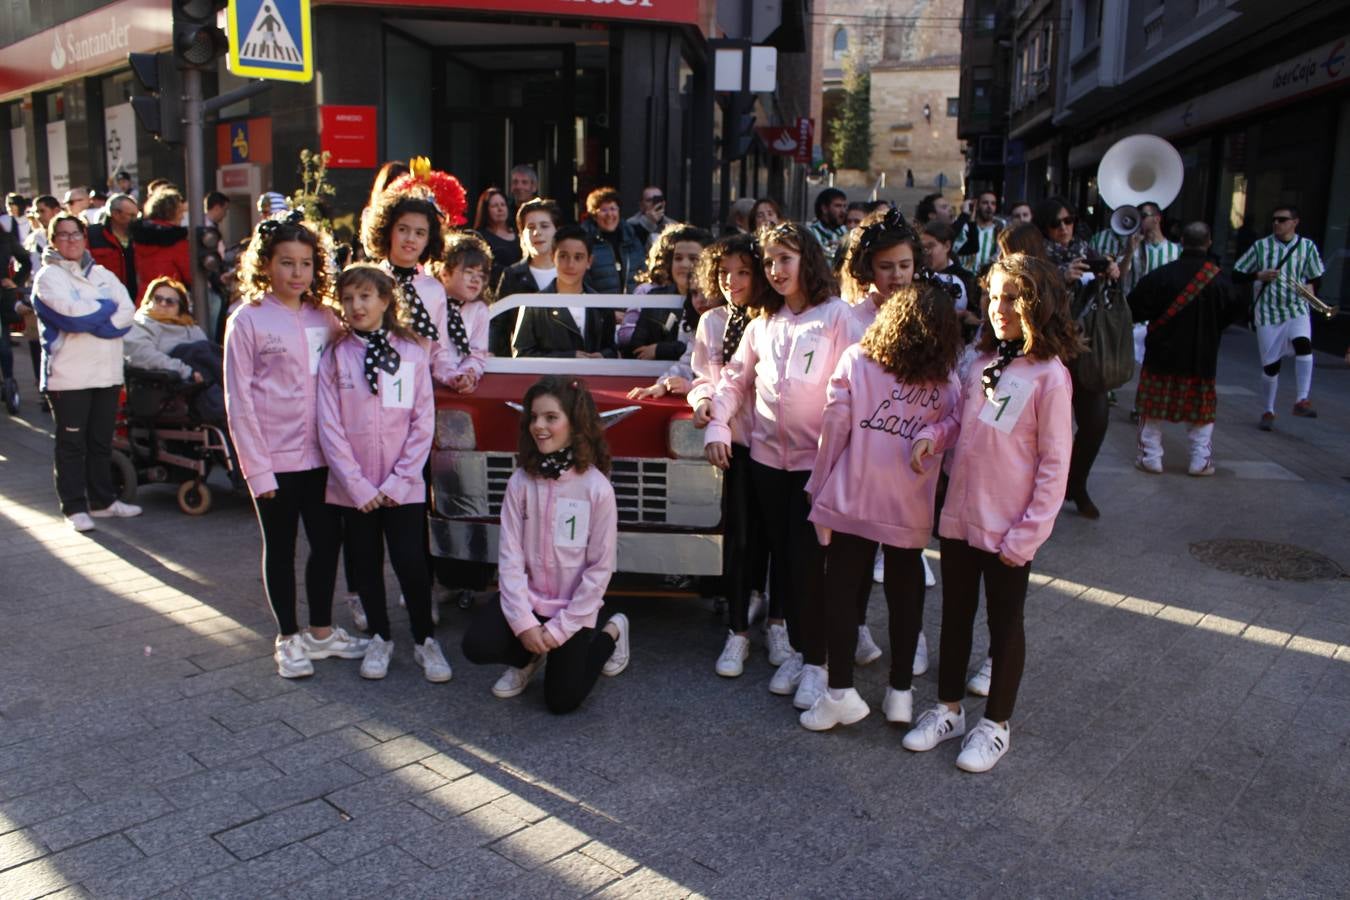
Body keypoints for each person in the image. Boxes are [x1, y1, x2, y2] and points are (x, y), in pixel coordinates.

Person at [902, 253, 1079, 773]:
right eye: (994, 296)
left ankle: (996, 724)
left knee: (1005, 626)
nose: (998, 308)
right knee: (954, 617)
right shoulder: (979, 362)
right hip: (960, 518)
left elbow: (1054, 465)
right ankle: (949, 709)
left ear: (1038, 303)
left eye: (1012, 298)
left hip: (1010, 532)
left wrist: (1028, 535)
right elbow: (959, 420)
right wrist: (932, 436)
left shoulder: (1050, 376)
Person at [695, 222, 855, 711]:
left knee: (812, 566)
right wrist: (718, 425)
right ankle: (804, 652)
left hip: (816, 465)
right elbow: (735, 380)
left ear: (807, 258)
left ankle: (819, 664)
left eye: (785, 258)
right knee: (785, 562)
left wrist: (838, 454)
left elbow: (856, 385)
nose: (776, 270)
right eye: (770, 262)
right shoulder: (765, 323)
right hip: (767, 461)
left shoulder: (837, 316)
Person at [800, 282, 964, 731]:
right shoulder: (946, 381)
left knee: (841, 591)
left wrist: (819, 485)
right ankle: (900, 694)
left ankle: (840, 690)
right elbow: (955, 422)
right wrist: (933, 436)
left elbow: (834, 428)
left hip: (853, 494)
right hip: (908, 503)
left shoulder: (858, 361)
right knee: (905, 591)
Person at [224, 211, 369, 678]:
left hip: (324, 457)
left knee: (327, 543)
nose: (297, 273)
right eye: (287, 262)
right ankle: (288, 637)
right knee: (281, 547)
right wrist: (256, 469)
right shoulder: (246, 320)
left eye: (306, 263)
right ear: (266, 264)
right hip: (274, 458)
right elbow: (239, 400)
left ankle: (322, 632)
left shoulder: (326, 317)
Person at [460, 375, 631, 712]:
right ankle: (528, 656)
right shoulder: (521, 482)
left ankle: (613, 632)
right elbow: (509, 557)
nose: (539, 426)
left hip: (573, 609)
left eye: (551, 417)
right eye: (534, 417)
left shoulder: (596, 489)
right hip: (530, 599)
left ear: (575, 424)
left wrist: (559, 630)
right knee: (476, 646)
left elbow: (599, 569)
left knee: (562, 702)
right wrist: (524, 624)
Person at [317, 263, 450, 682]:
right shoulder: (336, 356)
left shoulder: (410, 351)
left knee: (410, 560)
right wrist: (356, 484)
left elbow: (421, 420)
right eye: (349, 298)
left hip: (402, 487)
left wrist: (399, 481)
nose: (356, 306)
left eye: (365, 296)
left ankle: (425, 639)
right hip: (352, 489)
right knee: (365, 562)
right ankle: (379, 636)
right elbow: (329, 424)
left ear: (386, 300)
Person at [31, 213, 139, 531]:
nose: (71, 240)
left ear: (84, 237)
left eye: (76, 234)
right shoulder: (47, 278)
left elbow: (127, 312)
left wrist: (97, 315)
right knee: (71, 445)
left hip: (106, 372)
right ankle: (74, 507)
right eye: (63, 235)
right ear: (52, 241)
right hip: (69, 375)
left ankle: (103, 501)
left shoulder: (103, 274)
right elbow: (72, 319)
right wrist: (104, 310)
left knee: (101, 442)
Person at [1128, 223, 1245, 475]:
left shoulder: (1161, 275)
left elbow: (1134, 307)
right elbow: (1236, 310)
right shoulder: (1220, 280)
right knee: (1200, 412)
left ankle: (1151, 457)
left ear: (1181, 240)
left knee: (1152, 409)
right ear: (1209, 242)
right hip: (1201, 358)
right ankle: (1199, 460)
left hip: (1161, 355)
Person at [1035, 196, 1118, 519]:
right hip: (1050, 348)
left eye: (1069, 221)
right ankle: (1048, 490)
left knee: (1096, 421)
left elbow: (1108, 297)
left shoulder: (1088, 251)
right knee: (1049, 429)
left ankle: (1076, 483)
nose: (1064, 229)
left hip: (1085, 348)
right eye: (1057, 223)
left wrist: (1110, 271)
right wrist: (1061, 278)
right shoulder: (1040, 256)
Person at [1233, 204, 1325, 429]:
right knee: (1271, 366)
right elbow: (1237, 273)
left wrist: (1312, 288)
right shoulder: (1261, 247)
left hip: (1296, 308)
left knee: (1304, 345)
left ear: (1295, 222)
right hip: (1267, 312)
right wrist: (1258, 275)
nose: (1277, 223)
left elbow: (1316, 275)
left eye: (1283, 219)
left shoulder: (1307, 246)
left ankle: (1301, 399)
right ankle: (1268, 410)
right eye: (1274, 219)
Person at [123, 277, 225, 424]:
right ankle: (230, 404)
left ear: (180, 308)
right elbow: (143, 355)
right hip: (168, 381)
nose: (163, 304)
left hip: (201, 377)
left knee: (211, 349)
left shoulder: (192, 328)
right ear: (149, 301)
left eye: (170, 301)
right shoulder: (140, 324)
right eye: (158, 299)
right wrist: (184, 370)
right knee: (199, 350)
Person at [514, 225, 617, 358]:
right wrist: (569, 357)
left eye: (578, 257)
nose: (570, 265)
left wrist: (602, 356)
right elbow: (522, 354)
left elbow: (611, 349)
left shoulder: (601, 305)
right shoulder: (533, 305)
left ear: (589, 261)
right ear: (552, 257)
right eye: (563, 256)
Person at [618, 225, 712, 360]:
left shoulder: (714, 301)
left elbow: (707, 349)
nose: (684, 264)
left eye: (693, 259)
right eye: (678, 258)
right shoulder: (655, 297)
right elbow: (636, 348)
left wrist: (662, 349)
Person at [493, 198, 562, 356]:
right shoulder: (512, 275)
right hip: (524, 363)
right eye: (530, 227)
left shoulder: (572, 272)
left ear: (557, 230)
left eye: (544, 226)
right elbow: (499, 326)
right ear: (521, 234)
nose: (537, 232)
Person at [429, 230, 492, 393]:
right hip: (429, 383)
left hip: (458, 385)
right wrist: (451, 376)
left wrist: (467, 374)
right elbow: (436, 352)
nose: (476, 279)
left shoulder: (479, 310)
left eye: (481, 275)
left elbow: (477, 353)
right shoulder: (433, 304)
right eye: (469, 272)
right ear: (445, 273)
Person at [581, 187, 645, 295]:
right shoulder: (586, 241)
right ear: (594, 215)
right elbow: (585, 281)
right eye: (604, 210)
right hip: (600, 309)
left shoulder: (632, 239)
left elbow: (643, 270)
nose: (609, 214)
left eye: (613, 209)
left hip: (632, 308)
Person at [0, 212, 33, 413]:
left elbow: (26, 261)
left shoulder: (5, 238)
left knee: (3, 345)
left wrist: (15, 283)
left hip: (2, 298)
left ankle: (9, 381)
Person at [133, 188, 191, 288]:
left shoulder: (138, 236)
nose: (182, 217)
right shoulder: (177, 240)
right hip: (171, 296)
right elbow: (191, 276)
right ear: (172, 212)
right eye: (181, 212)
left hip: (145, 297)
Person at [87, 193, 139, 296]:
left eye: (137, 215)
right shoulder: (91, 236)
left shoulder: (140, 236)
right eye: (132, 215)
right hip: (104, 299)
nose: (136, 220)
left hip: (135, 300)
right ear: (115, 214)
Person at [473, 187, 520, 288]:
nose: (500, 209)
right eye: (494, 206)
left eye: (503, 205)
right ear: (485, 210)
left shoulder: (519, 233)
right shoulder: (480, 237)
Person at [957, 190, 1002, 274]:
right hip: (964, 277)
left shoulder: (999, 230)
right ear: (976, 206)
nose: (989, 206)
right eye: (985, 203)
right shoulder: (965, 227)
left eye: (993, 203)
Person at [808, 187, 848, 263]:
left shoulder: (845, 231)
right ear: (824, 209)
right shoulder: (810, 233)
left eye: (844, 206)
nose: (843, 211)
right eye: (838, 206)